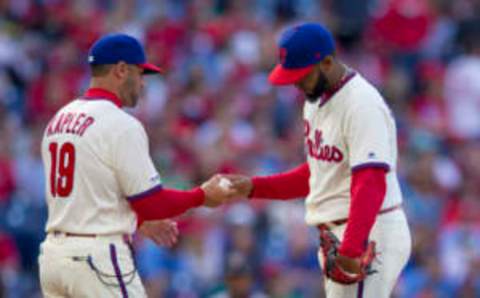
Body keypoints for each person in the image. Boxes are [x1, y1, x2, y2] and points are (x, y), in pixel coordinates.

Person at [219, 23, 411, 297]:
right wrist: (255, 187)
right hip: (340, 234)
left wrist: (352, 247)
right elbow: (319, 174)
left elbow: (370, 182)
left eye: (301, 75)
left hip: (369, 232)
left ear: (328, 62)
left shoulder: (361, 104)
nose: (295, 82)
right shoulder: (315, 100)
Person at [38, 33, 232, 298]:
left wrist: (138, 221)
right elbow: (152, 203)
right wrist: (202, 196)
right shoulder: (120, 123)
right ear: (120, 70)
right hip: (97, 258)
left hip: (53, 258)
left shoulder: (59, 118)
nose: (142, 84)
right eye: (140, 74)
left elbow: (90, 194)